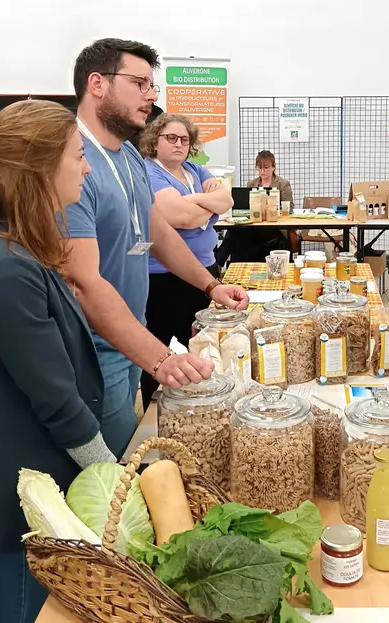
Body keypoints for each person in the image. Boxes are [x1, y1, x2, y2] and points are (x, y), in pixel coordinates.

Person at [0, 100, 119, 623]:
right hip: (13, 486)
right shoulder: (4, 269)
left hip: (20, 468)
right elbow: (56, 398)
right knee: (22, 608)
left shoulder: (4, 245)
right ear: (39, 169)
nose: (86, 167)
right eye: (79, 156)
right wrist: (114, 479)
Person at [64, 38, 247, 458]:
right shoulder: (69, 159)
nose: (152, 95)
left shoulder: (127, 156)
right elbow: (82, 283)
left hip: (131, 335)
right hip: (91, 349)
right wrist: (161, 359)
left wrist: (210, 286)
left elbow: (158, 233)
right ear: (97, 83)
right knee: (111, 472)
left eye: (153, 84)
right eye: (140, 83)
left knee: (132, 451)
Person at [137, 113, 233, 410]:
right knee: (162, 346)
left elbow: (227, 200)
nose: (179, 144)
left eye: (185, 139)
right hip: (164, 277)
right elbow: (182, 218)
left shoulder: (195, 169)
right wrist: (204, 206)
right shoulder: (148, 172)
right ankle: (156, 410)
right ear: (154, 141)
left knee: (199, 343)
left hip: (205, 270)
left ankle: (197, 402)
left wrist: (192, 204)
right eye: (171, 138)